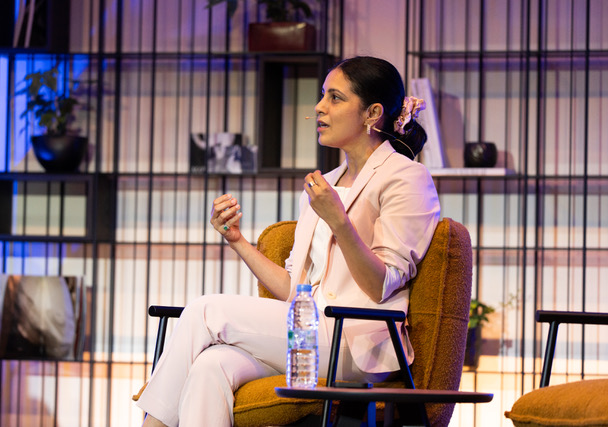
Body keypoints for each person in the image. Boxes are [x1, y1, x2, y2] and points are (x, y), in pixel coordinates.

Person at [136, 56, 440, 426]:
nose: (320, 107)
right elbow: (295, 289)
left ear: (372, 113)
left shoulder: (407, 177)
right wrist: (238, 241)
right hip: (310, 334)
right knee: (210, 365)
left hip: (357, 341)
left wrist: (339, 221)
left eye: (335, 98)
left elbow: (382, 284)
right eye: (322, 95)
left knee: (205, 311)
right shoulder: (323, 184)